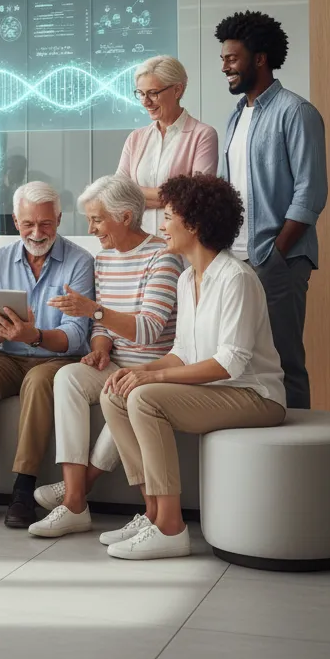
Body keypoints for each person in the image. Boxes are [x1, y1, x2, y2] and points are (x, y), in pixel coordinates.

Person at [100, 173, 286, 561]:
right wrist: (139, 372)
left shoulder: (237, 279)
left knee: (145, 399)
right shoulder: (187, 279)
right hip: (216, 391)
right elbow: (183, 351)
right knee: (117, 394)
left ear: (195, 224)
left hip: (254, 395)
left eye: (168, 217)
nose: (161, 226)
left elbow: (229, 362)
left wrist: (153, 377)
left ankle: (171, 528)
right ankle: (152, 513)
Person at [28, 174, 181, 538]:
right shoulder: (103, 260)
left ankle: (76, 497)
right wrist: (99, 348)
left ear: (125, 217)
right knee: (67, 377)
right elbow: (101, 328)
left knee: (123, 392)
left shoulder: (163, 257)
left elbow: (148, 330)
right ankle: (75, 496)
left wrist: (93, 311)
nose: (91, 228)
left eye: (97, 219)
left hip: (153, 366)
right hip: (114, 361)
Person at [0, 181, 95, 528]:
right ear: (16, 222)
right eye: (28, 224)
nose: (36, 232)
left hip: (55, 359)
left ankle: (23, 490)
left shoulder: (80, 262)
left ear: (59, 220)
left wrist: (34, 335)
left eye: (45, 223)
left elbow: (77, 338)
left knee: (37, 381)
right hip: (8, 356)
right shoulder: (1, 259)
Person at [216, 11, 327, 409]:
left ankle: (301, 462)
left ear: (259, 58)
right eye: (224, 58)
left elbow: (310, 194)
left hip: (277, 261)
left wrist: (275, 254)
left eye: (232, 58)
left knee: (285, 361)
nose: (225, 65)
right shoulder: (235, 117)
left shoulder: (297, 112)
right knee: (241, 359)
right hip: (237, 259)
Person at [117, 55, 218, 235]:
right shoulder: (135, 138)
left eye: (153, 93)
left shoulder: (203, 135)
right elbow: (119, 193)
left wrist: (138, 195)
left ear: (177, 90)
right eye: (141, 93)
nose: (146, 102)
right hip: (140, 245)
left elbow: (196, 198)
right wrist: (172, 196)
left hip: (182, 247)